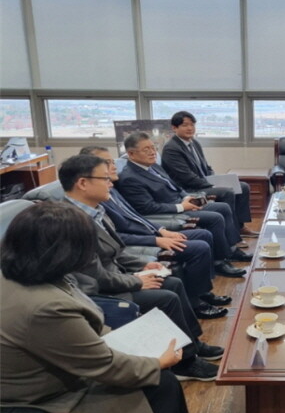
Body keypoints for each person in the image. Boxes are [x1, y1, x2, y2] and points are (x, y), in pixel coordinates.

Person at [0, 201, 210, 413]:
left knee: (149, 374)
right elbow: (104, 367)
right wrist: (157, 362)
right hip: (39, 394)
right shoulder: (45, 306)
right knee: (161, 383)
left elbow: (86, 332)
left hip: (53, 369)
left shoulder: (26, 272)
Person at [59, 154, 224, 382]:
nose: (111, 183)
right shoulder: (70, 221)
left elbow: (118, 249)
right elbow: (95, 278)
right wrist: (137, 281)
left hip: (116, 275)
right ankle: (185, 363)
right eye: (105, 178)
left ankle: (191, 344)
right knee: (165, 297)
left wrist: (143, 264)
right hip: (96, 292)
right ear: (83, 183)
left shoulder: (96, 210)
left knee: (173, 282)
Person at [79, 146, 231, 317]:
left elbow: (135, 216)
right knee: (199, 246)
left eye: (112, 161)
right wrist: (155, 240)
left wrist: (161, 230)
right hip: (137, 245)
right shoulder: (94, 203)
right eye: (106, 163)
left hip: (149, 232)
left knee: (203, 235)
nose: (113, 167)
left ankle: (202, 294)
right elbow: (120, 236)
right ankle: (197, 303)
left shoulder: (108, 192)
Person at [117, 131, 251, 278]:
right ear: (131, 154)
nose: (152, 152)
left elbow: (174, 186)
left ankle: (231, 250)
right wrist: (181, 206)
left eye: (153, 147)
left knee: (223, 207)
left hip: (181, 202)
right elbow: (147, 208)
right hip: (169, 213)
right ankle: (220, 262)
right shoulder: (129, 177)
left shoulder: (153, 166)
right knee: (215, 217)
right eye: (146, 149)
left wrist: (186, 197)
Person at [161, 110, 258, 239]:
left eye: (192, 125)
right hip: (189, 189)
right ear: (174, 128)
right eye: (185, 125)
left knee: (243, 186)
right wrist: (213, 183)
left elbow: (206, 167)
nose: (190, 128)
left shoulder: (194, 143)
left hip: (203, 182)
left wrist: (217, 178)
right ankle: (232, 234)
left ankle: (240, 226)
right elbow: (186, 178)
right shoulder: (171, 148)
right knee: (227, 191)